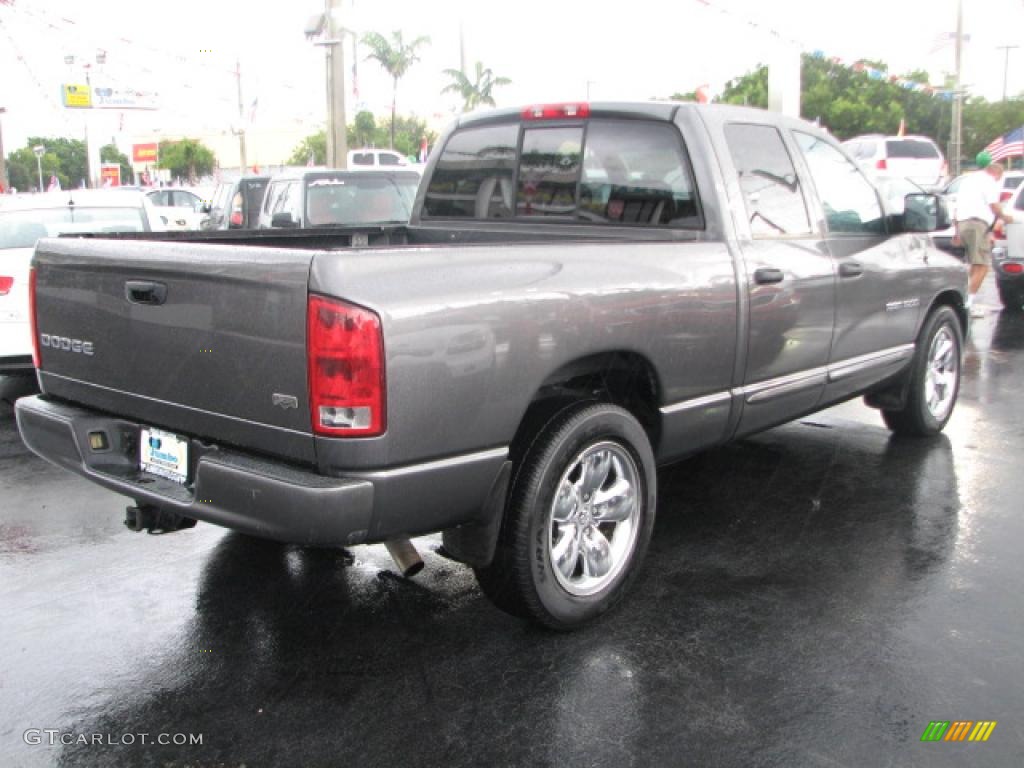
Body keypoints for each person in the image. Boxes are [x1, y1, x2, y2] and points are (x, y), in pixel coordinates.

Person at [953, 162, 1014, 317]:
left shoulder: (968, 180)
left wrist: (956, 232)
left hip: (963, 223)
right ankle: (966, 305)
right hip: (977, 224)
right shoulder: (989, 182)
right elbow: (994, 206)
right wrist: (1006, 218)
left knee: (974, 265)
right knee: (983, 266)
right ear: (996, 173)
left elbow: (957, 206)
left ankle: (964, 299)